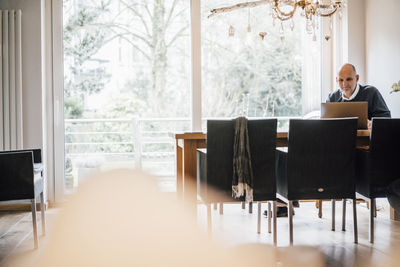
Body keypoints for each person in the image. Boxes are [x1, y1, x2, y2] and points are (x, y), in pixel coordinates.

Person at [327, 63, 391, 128]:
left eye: (348, 79)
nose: (344, 84)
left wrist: (372, 123)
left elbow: (386, 118)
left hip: (366, 137)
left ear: (357, 78)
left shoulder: (371, 93)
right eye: (341, 80)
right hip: (339, 137)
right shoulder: (332, 98)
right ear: (336, 80)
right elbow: (326, 124)